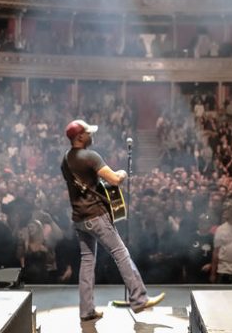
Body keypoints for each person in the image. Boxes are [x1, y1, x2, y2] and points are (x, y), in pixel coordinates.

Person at [60, 119, 164, 322]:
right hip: (96, 216)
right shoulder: (90, 156)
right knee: (121, 254)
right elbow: (115, 179)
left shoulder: (66, 159)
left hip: (79, 218)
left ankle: (86, 310)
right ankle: (139, 299)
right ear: (80, 136)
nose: (92, 136)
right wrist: (123, 172)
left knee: (87, 261)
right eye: (89, 133)